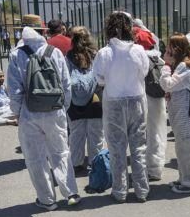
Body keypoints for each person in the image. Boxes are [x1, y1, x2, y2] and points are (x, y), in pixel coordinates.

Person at [8, 26, 80, 210]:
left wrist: (17, 112)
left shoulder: (17, 55)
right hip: (55, 110)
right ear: (42, 34)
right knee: (61, 152)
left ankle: (47, 199)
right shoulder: (54, 52)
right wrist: (63, 107)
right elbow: (66, 83)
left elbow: (15, 90)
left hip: (29, 113)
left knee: (35, 157)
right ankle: (71, 192)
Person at [93, 12, 150, 202]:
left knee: (117, 149)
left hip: (114, 102)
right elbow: (144, 72)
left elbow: (99, 79)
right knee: (139, 147)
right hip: (137, 101)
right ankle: (142, 189)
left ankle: (120, 191)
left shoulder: (104, 53)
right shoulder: (139, 51)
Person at [160, 34, 190, 194]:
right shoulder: (181, 65)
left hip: (188, 115)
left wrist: (165, 65)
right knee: (182, 147)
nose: (167, 49)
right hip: (182, 114)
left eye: (170, 46)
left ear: (176, 48)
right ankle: (184, 178)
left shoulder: (185, 66)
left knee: (188, 147)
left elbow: (167, 84)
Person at [66, 26, 104, 173]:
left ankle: (76, 164)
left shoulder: (68, 56)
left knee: (76, 134)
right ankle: (96, 164)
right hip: (95, 100)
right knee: (96, 135)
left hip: (75, 103)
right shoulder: (96, 55)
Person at [134, 17, 167, 181]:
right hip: (158, 99)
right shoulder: (157, 58)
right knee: (157, 133)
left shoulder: (138, 58)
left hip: (145, 99)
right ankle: (156, 167)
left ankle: (149, 168)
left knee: (143, 135)